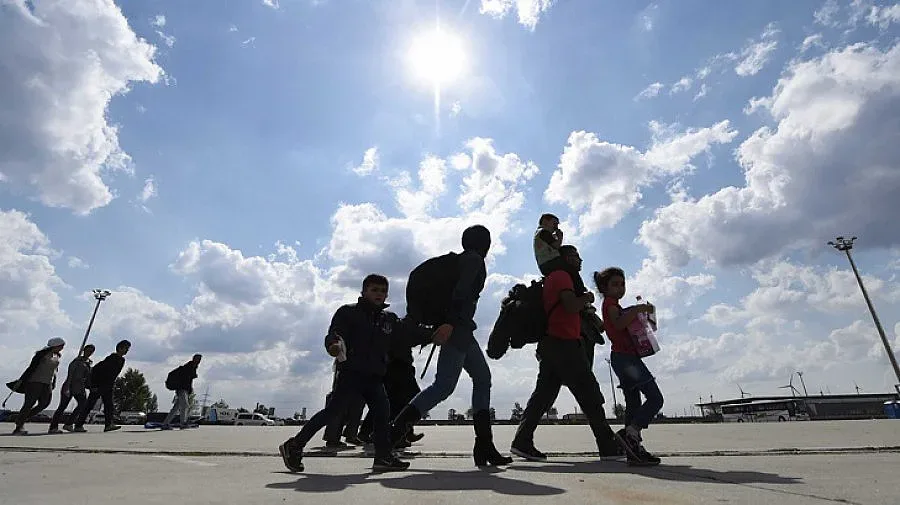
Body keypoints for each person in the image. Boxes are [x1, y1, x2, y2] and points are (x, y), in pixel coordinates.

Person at [278, 274, 433, 473]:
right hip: (351, 373)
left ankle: (383, 457)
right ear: (363, 292)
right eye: (374, 290)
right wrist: (333, 345)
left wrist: (433, 334)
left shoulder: (388, 320)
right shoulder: (348, 313)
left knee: (382, 414)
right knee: (333, 412)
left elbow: (408, 334)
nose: (379, 294)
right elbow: (335, 333)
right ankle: (294, 445)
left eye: (383, 291)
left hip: (375, 376)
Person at [389, 225, 513, 467]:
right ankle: (391, 437)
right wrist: (449, 323)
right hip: (458, 327)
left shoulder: (462, 260)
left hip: (462, 327)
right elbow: (462, 293)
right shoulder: (474, 260)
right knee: (444, 386)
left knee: (482, 378)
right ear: (486, 243)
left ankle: (484, 446)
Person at [510, 246, 640, 463]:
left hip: (553, 344)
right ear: (567, 258)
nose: (580, 261)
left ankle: (522, 441)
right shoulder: (561, 276)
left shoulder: (558, 277)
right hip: (563, 344)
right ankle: (607, 445)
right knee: (588, 392)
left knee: (543, 395)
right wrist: (587, 297)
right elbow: (570, 306)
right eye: (576, 257)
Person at [596, 267, 663, 466]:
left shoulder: (615, 305)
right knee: (655, 398)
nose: (620, 288)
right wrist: (638, 309)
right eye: (615, 284)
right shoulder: (610, 304)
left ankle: (633, 450)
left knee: (633, 404)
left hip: (624, 358)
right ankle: (631, 433)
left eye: (622, 284)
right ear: (604, 288)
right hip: (626, 360)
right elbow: (617, 324)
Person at [72, 339, 131, 433]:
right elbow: (96, 370)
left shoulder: (121, 360)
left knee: (109, 406)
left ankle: (108, 425)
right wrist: (94, 385)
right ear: (120, 348)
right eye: (125, 348)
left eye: (128, 349)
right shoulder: (111, 359)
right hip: (99, 386)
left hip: (108, 386)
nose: (127, 350)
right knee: (89, 405)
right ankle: (78, 425)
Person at [10, 338, 65, 435]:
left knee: (45, 403)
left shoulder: (56, 356)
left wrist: (53, 382)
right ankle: (19, 426)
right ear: (55, 345)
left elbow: (54, 371)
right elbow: (31, 368)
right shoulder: (41, 355)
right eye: (61, 346)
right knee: (29, 403)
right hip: (35, 382)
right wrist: (21, 380)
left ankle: (22, 417)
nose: (62, 348)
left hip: (47, 383)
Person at [533, 213, 586, 294]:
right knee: (572, 270)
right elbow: (556, 246)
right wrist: (560, 237)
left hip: (544, 264)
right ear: (545, 221)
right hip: (551, 262)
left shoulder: (540, 234)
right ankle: (580, 291)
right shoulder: (543, 232)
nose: (556, 227)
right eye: (554, 223)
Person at [49, 344, 94, 434]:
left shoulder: (88, 363)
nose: (89, 353)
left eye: (91, 351)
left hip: (80, 387)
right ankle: (53, 427)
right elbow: (70, 374)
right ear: (84, 350)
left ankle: (69, 423)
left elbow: (87, 377)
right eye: (88, 350)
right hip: (70, 385)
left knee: (83, 404)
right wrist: (67, 387)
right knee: (62, 406)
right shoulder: (76, 361)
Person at [162, 354, 202, 429]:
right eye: (198, 359)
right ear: (194, 359)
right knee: (185, 405)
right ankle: (183, 423)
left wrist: (189, 389)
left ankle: (166, 423)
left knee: (176, 407)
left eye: (199, 360)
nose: (199, 361)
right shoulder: (188, 367)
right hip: (182, 389)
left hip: (184, 389)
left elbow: (189, 380)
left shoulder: (192, 367)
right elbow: (186, 380)